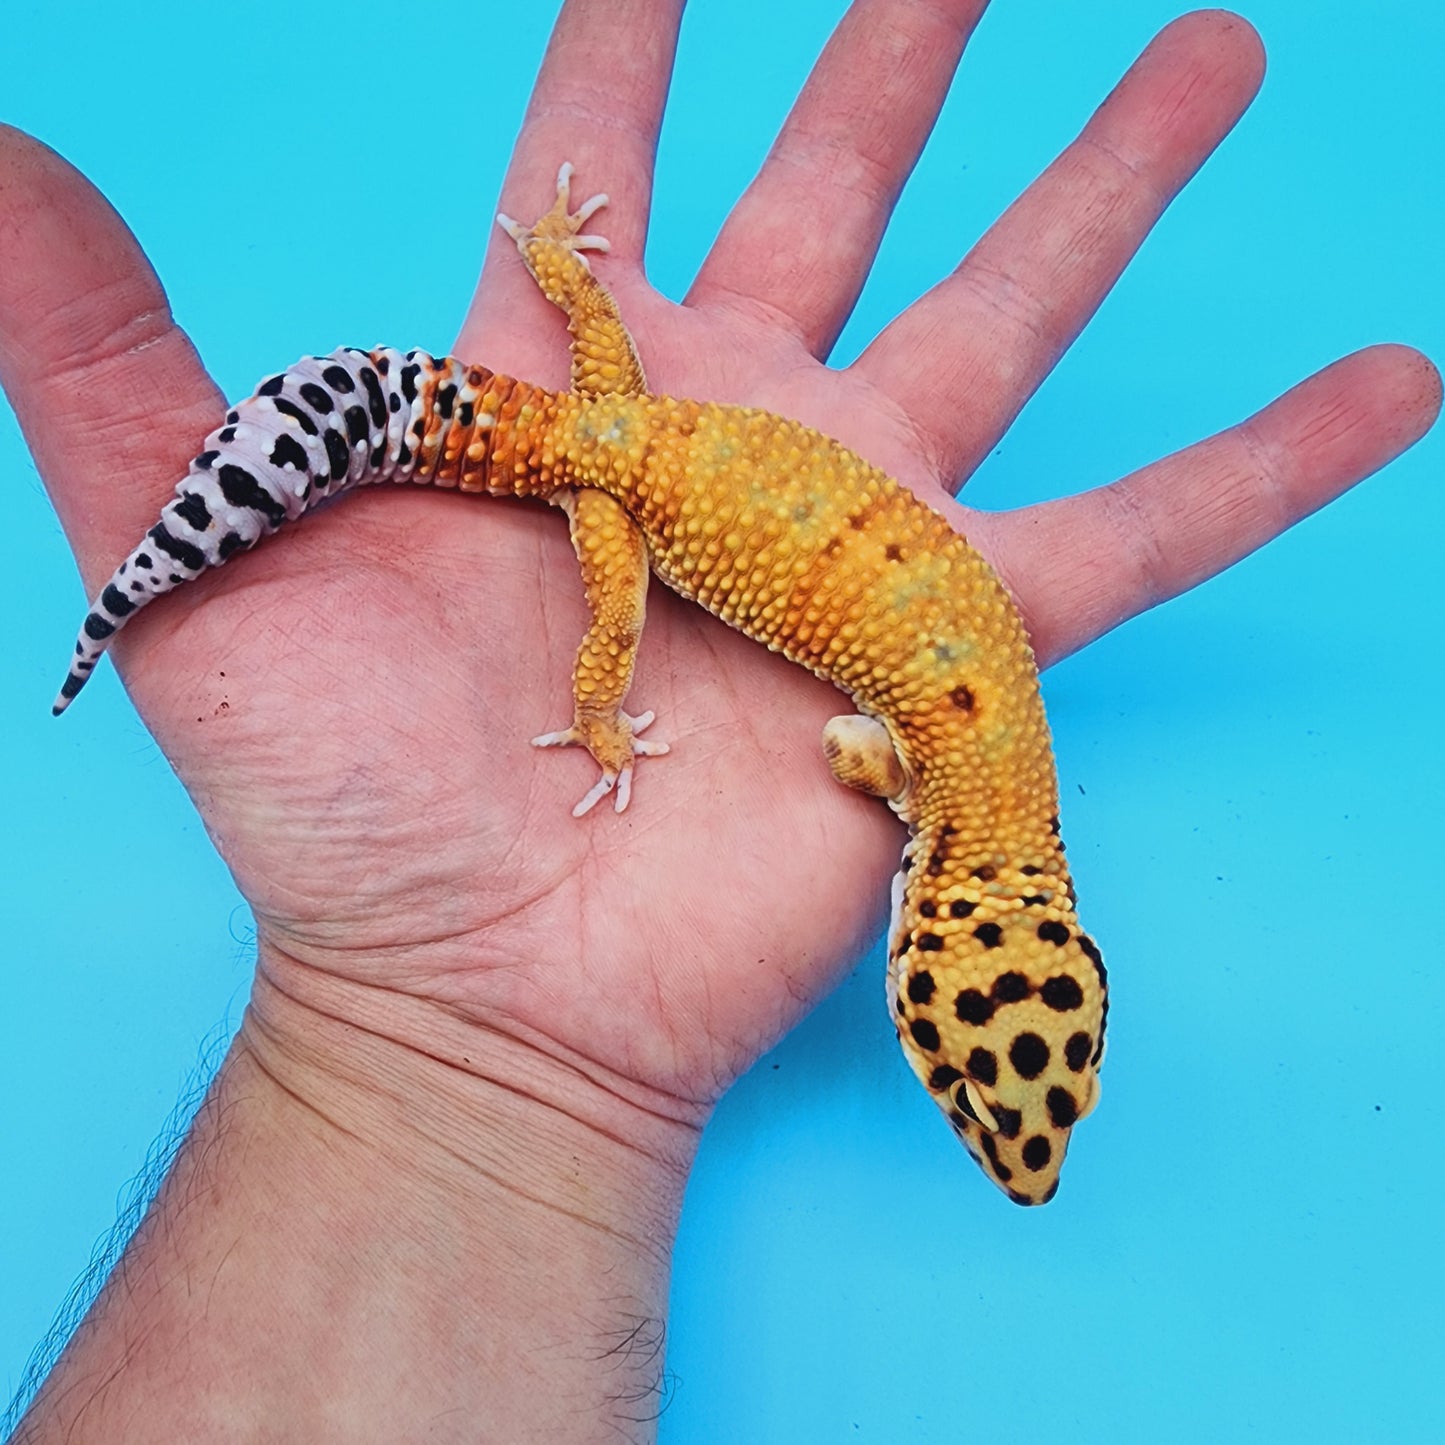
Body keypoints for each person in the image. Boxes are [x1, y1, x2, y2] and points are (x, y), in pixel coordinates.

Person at [2, 1, 1437, 1439]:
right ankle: (580, 702)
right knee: (597, 634)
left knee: (511, 412)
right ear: (971, 952)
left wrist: (571, 281)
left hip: (640, 429)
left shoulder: (996, 783)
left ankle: (506, 327)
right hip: (616, 485)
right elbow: (858, 751)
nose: (992, 1129)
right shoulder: (961, 798)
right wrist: (609, 717)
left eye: (978, 1095)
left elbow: (875, 748)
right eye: (972, 1092)